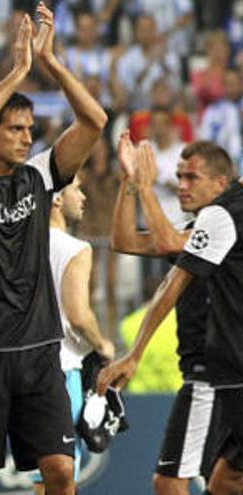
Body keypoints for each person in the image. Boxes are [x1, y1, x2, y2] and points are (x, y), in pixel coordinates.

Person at [0, 4, 107, 494]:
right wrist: (17, 72)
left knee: (60, 471)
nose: (26, 138)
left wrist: (49, 62)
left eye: (30, 130)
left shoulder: (38, 177)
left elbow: (94, 121)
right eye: (14, 129)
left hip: (38, 352)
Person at [107, 136, 236, 494]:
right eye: (178, 176)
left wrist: (146, 188)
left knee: (169, 481)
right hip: (216, 376)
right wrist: (128, 182)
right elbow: (124, 241)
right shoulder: (196, 235)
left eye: (191, 177)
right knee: (223, 482)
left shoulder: (226, 228)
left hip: (211, 377)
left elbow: (164, 243)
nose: (181, 186)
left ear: (220, 184)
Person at [32, 176, 116, 495]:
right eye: (77, 188)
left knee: (44, 475)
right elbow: (79, 315)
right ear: (55, 199)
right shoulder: (75, 248)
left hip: (24, 367)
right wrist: (102, 344)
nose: (83, 196)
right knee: (62, 477)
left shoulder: (21, 243)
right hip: (61, 368)